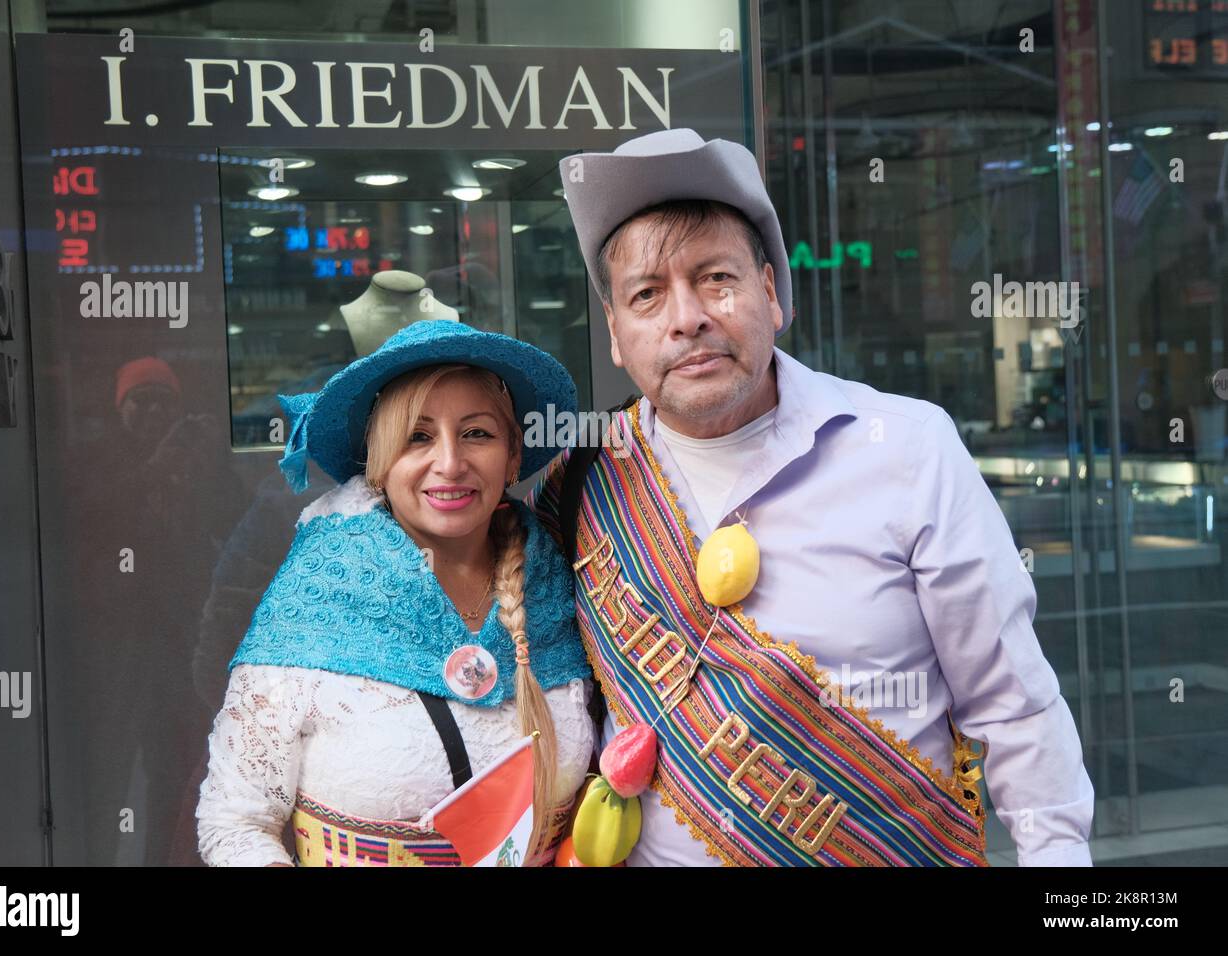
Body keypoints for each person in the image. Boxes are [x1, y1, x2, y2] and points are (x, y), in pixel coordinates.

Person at [529, 128, 1094, 866]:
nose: (687, 317)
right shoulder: (580, 482)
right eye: (646, 295)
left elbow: (1015, 705)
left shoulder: (909, 447)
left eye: (716, 279)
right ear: (614, 333)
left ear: (770, 292)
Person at [196, 320, 595, 866]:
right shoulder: (319, 597)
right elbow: (236, 822)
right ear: (379, 463)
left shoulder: (559, 584)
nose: (450, 463)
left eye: (477, 433)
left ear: (515, 455)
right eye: (418, 437)